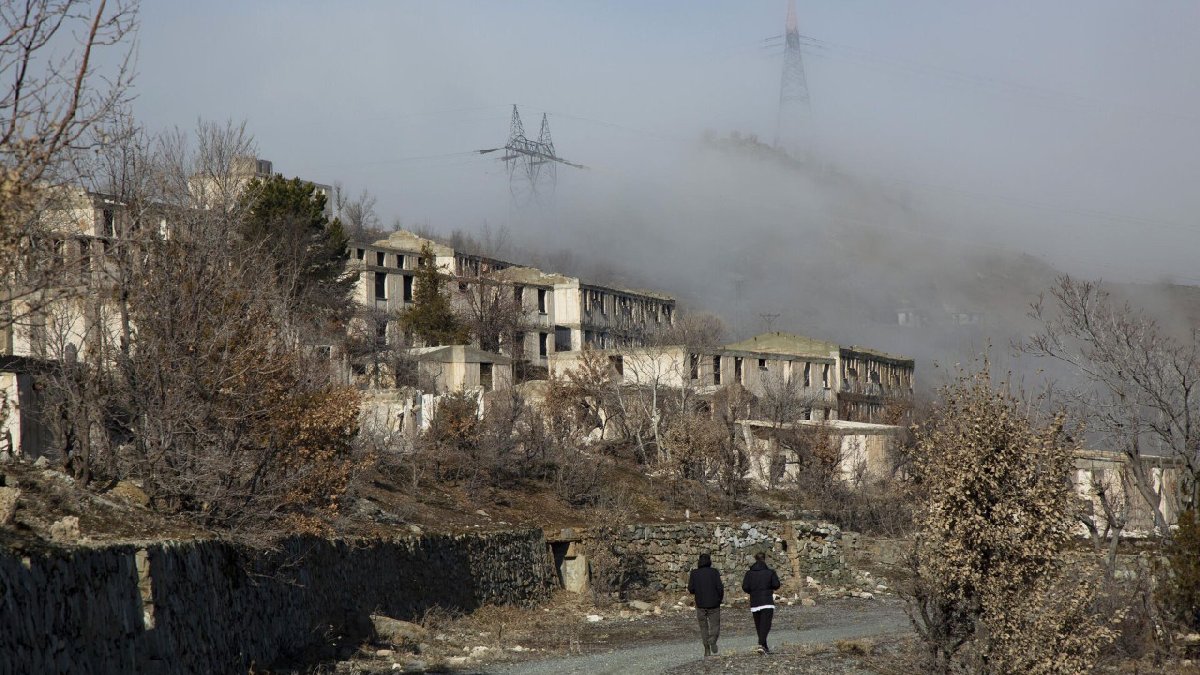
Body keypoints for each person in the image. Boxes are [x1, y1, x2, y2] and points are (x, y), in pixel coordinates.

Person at [742, 551, 781, 654]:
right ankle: (761, 643)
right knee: (766, 625)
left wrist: (753, 591)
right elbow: (776, 585)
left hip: (755, 602)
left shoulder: (749, 573)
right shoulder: (770, 572)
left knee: (759, 625)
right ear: (764, 559)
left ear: (755, 559)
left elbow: (745, 587)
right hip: (767, 601)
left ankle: (764, 647)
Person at [687, 553, 723, 657]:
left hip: (700, 604)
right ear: (709, 561)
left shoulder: (694, 573)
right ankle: (712, 640)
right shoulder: (714, 572)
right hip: (714, 604)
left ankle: (707, 649)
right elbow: (720, 588)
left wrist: (698, 590)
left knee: (703, 628)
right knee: (715, 626)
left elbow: (691, 589)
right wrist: (719, 599)